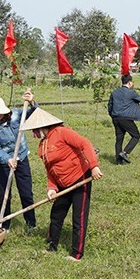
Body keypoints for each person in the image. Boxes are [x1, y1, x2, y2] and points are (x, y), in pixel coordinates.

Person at [25, 108, 103, 261]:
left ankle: (76, 254)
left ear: (43, 126)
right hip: (62, 185)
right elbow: (50, 170)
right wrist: (51, 188)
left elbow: (84, 144)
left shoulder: (62, 132)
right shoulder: (43, 146)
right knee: (56, 215)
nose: (34, 133)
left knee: (78, 218)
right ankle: (52, 246)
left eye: (35, 130)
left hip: (80, 178)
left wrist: (94, 166)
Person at [0, 90, 37, 231]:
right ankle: (4, 225)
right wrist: (7, 159)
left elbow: (34, 114)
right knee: (4, 196)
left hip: (21, 157)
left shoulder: (16, 115)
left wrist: (32, 102)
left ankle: (31, 223)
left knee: (26, 192)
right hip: (4, 163)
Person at [108, 74, 140, 165]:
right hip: (126, 119)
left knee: (119, 139)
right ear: (129, 82)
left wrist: (113, 115)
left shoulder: (114, 92)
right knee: (136, 136)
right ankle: (125, 152)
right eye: (132, 82)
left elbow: (110, 106)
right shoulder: (131, 92)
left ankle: (118, 161)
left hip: (116, 118)